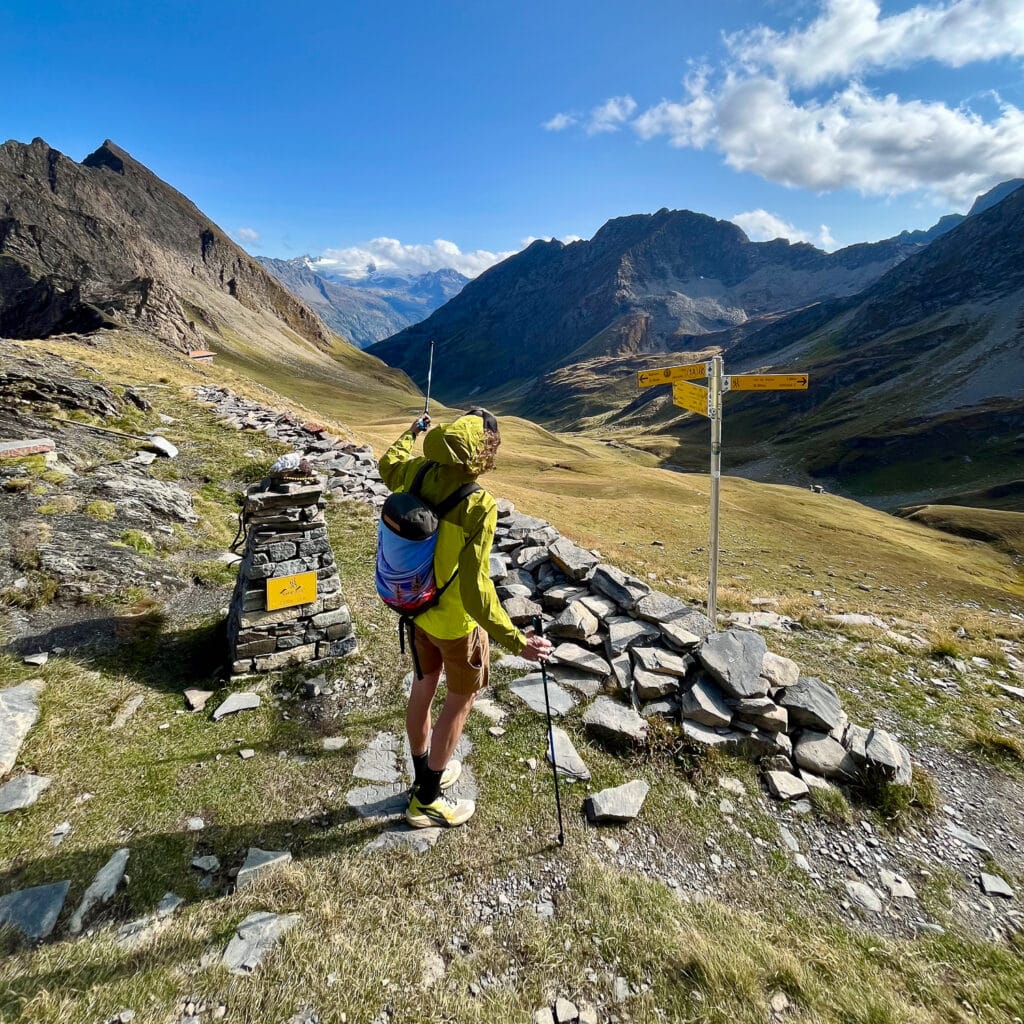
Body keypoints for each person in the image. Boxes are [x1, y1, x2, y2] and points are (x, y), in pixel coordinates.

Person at [378, 407, 552, 828]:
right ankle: (428, 800)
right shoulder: (478, 504)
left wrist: (411, 432)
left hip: (416, 610)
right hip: (456, 627)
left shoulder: (417, 472)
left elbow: (388, 464)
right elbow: (477, 593)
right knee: (461, 701)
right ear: (482, 453)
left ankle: (423, 777)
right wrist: (517, 640)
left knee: (422, 690)